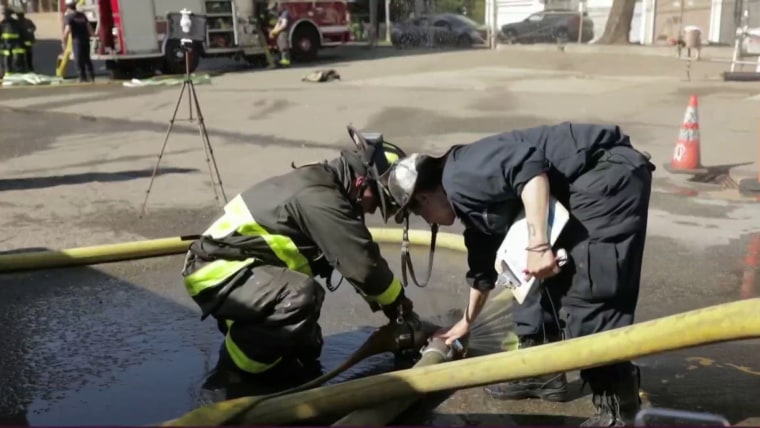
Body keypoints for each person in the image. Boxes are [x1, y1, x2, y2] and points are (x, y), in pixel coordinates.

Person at [384, 122, 655, 426]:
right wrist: (466, 322)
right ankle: (541, 372)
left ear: (422, 198)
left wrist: (538, 243)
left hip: (605, 176)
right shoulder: (467, 200)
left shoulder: (460, 177)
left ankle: (617, 409)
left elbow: (530, 170)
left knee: (590, 293)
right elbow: (482, 270)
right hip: (579, 183)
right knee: (527, 278)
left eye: (420, 215)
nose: (427, 221)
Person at [182, 127, 415, 385]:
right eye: (378, 201)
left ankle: (255, 343)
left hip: (247, 271)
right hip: (218, 271)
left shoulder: (326, 185)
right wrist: (397, 306)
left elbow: (352, 259)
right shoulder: (321, 198)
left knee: (307, 347)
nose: (373, 210)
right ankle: (232, 379)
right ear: (362, 181)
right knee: (300, 296)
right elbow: (363, 265)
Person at [61, 0, 95, 82]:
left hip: (77, 40)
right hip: (86, 40)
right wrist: (93, 35)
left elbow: (68, 29)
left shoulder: (69, 17)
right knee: (87, 59)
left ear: (67, 7)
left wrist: (63, 39)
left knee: (78, 59)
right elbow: (89, 27)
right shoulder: (82, 15)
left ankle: (82, 78)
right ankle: (91, 76)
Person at [0, 5, 27, 77]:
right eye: (5, 14)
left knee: (18, 58)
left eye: (7, 14)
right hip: (5, 45)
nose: (5, 16)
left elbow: (22, 33)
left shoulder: (15, 23)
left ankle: (19, 72)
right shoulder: (2, 24)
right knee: (5, 60)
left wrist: (23, 43)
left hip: (16, 44)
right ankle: (6, 74)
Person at [267, 1, 290, 67]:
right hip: (280, 33)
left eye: (278, 6)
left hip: (283, 32)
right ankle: (282, 61)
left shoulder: (285, 13)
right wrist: (273, 31)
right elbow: (277, 24)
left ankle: (285, 62)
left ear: (282, 6)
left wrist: (275, 31)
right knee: (280, 47)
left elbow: (284, 25)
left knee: (283, 47)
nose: (277, 8)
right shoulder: (281, 15)